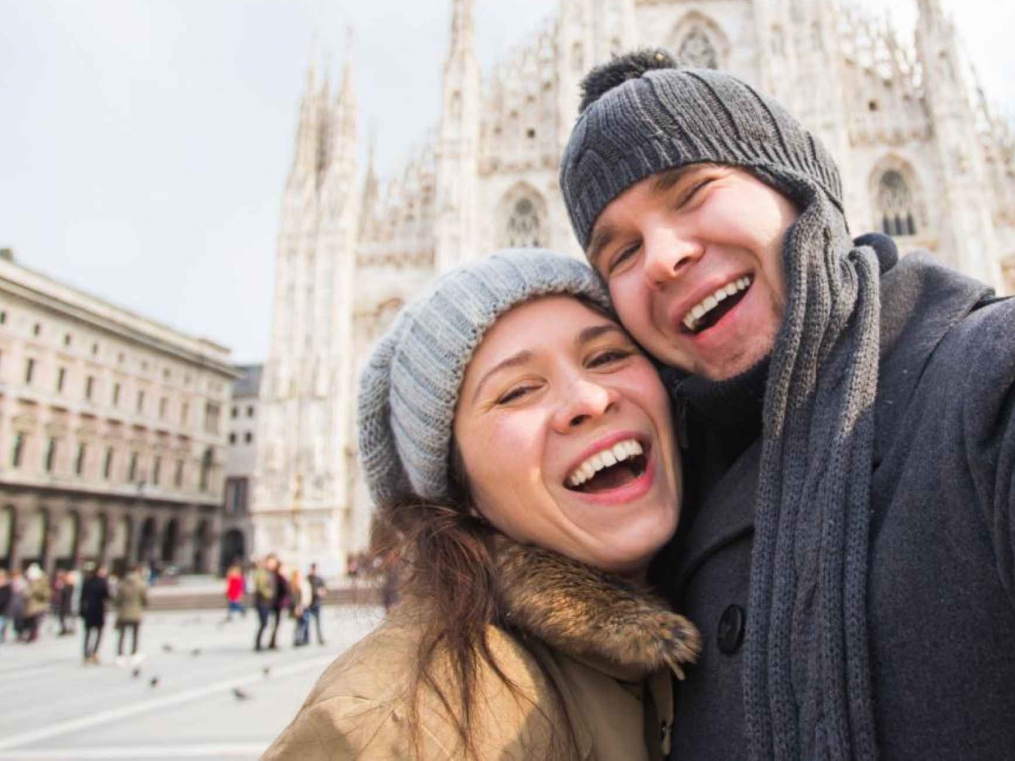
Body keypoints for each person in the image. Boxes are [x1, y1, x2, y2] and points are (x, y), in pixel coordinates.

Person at [556, 49, 1015, 761]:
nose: (665, 257)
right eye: (621, 251)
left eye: (695, 192)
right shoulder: (650, 513)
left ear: (795, 188)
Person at [265, 250, 698, 759]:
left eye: (606, 357)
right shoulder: (395, 726)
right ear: (457, 490)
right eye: (517, 391)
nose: (590, 399)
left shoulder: (698, 623)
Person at [252, 553, 287, 652]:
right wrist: (269, 594)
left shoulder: (275, 573)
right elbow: (260, 586)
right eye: (271, 562)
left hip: (273, 602)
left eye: (274, 562)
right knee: (264, 623)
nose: (272, 564)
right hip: (263, 601)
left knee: (275, 622)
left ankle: (272, 642)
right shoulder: (262, 572)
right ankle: (258, 644)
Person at [113, 563, 147, 665]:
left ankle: (120, 655)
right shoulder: (141, 583)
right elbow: (144, 599)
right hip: (136, 612)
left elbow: (118, 599)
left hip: (123, 612)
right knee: (135, 634)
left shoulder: (122, 583)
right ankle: (134, 654)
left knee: (122, 635)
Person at [78, 563, 109, 665]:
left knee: (88, 633)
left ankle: (86, 654)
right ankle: (95, 652)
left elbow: (82, 597)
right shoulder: (102, 582)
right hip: (98, 611)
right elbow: (107, 595)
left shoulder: (87, 581)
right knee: (98, 633)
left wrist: (81, 611)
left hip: (88, 611)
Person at [22, 564, 49, 642]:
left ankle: (33, 635)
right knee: (29, 621)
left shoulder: (42, 582)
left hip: (38, 606)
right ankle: (29, 634)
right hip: (29, 605)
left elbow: (46, 593)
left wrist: (35, 591)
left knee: (35, 621)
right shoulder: (28, 581)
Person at [304, 563, 327, 647]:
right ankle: (306, 639)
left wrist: (321, 593)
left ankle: (320, 638)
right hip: (308, 603)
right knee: (306, 622)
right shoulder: (307, 578)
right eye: (313, 569)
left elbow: (324, 590)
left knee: (318, 622)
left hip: (316, 602)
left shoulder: (320, 579)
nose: (314, 571)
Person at [54, 568, 76, 636]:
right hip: (62, 604)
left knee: (67, 617)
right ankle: (64, 628)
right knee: (62, 617)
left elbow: (67, 595)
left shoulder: (69, 586)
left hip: (67, 604)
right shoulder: (62, 585)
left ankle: (68, 629)